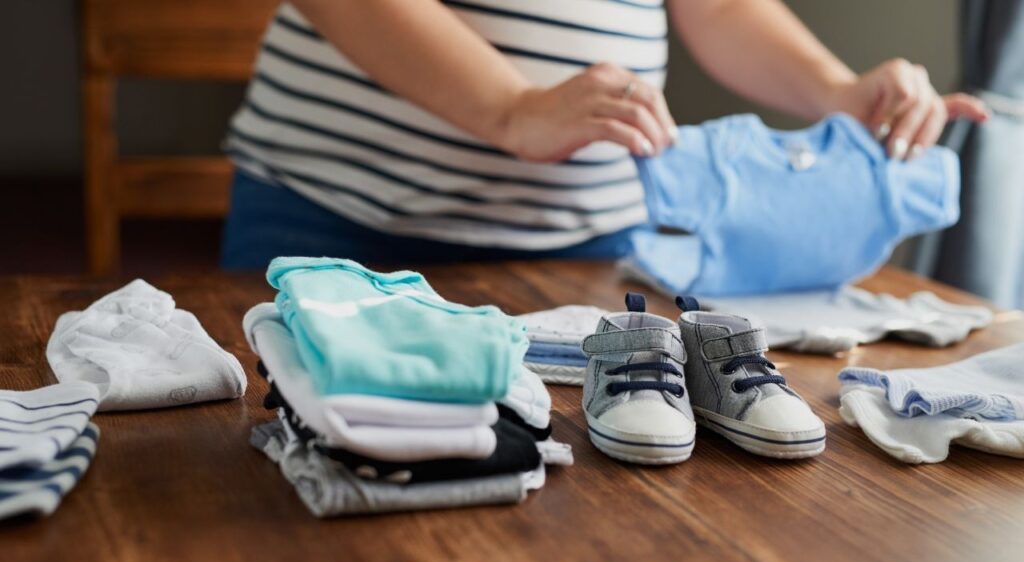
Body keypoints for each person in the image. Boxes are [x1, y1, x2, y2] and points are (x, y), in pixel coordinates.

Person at [221, 0, 989, 269]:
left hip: (590, 249)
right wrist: (511, 108)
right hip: (337, 224)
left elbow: (717, 5)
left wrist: (833, 89)